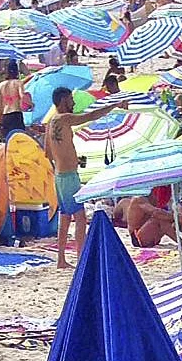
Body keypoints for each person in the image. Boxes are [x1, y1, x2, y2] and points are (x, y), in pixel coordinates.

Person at [44, 87, 124, 269]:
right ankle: (81, 260)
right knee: (80, 218)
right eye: (71, 99)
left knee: (65, 218)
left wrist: (70, 158)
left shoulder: (50, 122)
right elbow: (90, 116)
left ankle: (61, 259)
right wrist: (115, 104)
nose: (73, 103)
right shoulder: (64, 118)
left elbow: (48, 153)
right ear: (63, 100)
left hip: (60, 176)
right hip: (68, 177)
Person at [0, 59, 27, 137]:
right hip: (16, 114)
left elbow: (1, 105)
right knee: (19, 138)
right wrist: (31, 104)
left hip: (5, 115)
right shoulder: (18, 83)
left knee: (7, 139)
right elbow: (22, 96)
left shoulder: (1, 85)